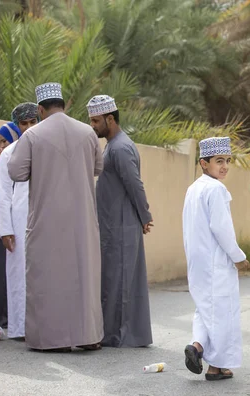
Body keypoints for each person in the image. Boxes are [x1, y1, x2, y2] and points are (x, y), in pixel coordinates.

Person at [7, 82, 104, 352]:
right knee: (83, 276)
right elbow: (98, 167)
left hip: (46, 221)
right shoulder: (87, 132)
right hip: (83, 221)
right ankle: (88, 336)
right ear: (64, 104)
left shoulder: (32, 135)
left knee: (48, 277)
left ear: (40, 109)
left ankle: (52, 340)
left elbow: (15, 173)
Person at [88, 95, 153, 348]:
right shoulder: (111, 145)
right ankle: (114, 333)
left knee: (121, 281)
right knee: (114, 280)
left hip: (122, 225)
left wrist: (145, 216)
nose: (92, 125)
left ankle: (121, 335)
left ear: (110, 119)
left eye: (95, 120)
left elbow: (134, 184)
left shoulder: (120, 147)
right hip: (113, 224)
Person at [182, 137, 250, 381]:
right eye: (219, 161)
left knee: (205, 309)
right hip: (216, 263)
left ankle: (197, 346)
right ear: (203, 163)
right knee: (222, 313)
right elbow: (222, 229)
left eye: (227, 161)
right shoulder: (216, 189)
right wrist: (239, 257)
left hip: (197, 263)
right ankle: (216, 367)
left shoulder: (193, 188)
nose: (224, 166)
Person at [0, 102, 38, 339]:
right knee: (18, 274)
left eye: (33, 122)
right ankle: (20, 328)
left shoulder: (48, 148)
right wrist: (6, 230)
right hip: (18, 223)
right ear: (18, 125)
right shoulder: (10, 153)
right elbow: (2, 195)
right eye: (25, 123)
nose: (30, 127)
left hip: (46, 220)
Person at [0, 127, 13, 329]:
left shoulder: (12, 165)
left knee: (3, 274)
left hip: (5, 228)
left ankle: (6, 318)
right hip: (0, 225)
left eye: (2, 143)